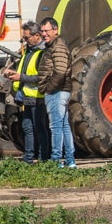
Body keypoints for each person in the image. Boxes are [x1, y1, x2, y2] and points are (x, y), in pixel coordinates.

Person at [9, 27, 50, 164]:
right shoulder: (29, 52)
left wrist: (21, 77)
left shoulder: (41, 54)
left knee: (40, 128)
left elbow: (41, 78)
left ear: (37, 35)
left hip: (38, 97)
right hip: (27, 97)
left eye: (26, 38)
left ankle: (43, 158)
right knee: (27, 128)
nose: (25, 41)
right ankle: (28, 159)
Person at [37, 18, 73, 168]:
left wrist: (50, 89)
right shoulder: (53, 46)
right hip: (60, 91)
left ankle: (56, 160)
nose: (44, 34)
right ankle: (70, 160)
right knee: (64, 126)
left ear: (55, 30)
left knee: (56, 127)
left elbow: (60, 71)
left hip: (57, 92)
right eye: (42, 31)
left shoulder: (57, 47)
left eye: (47, 31)